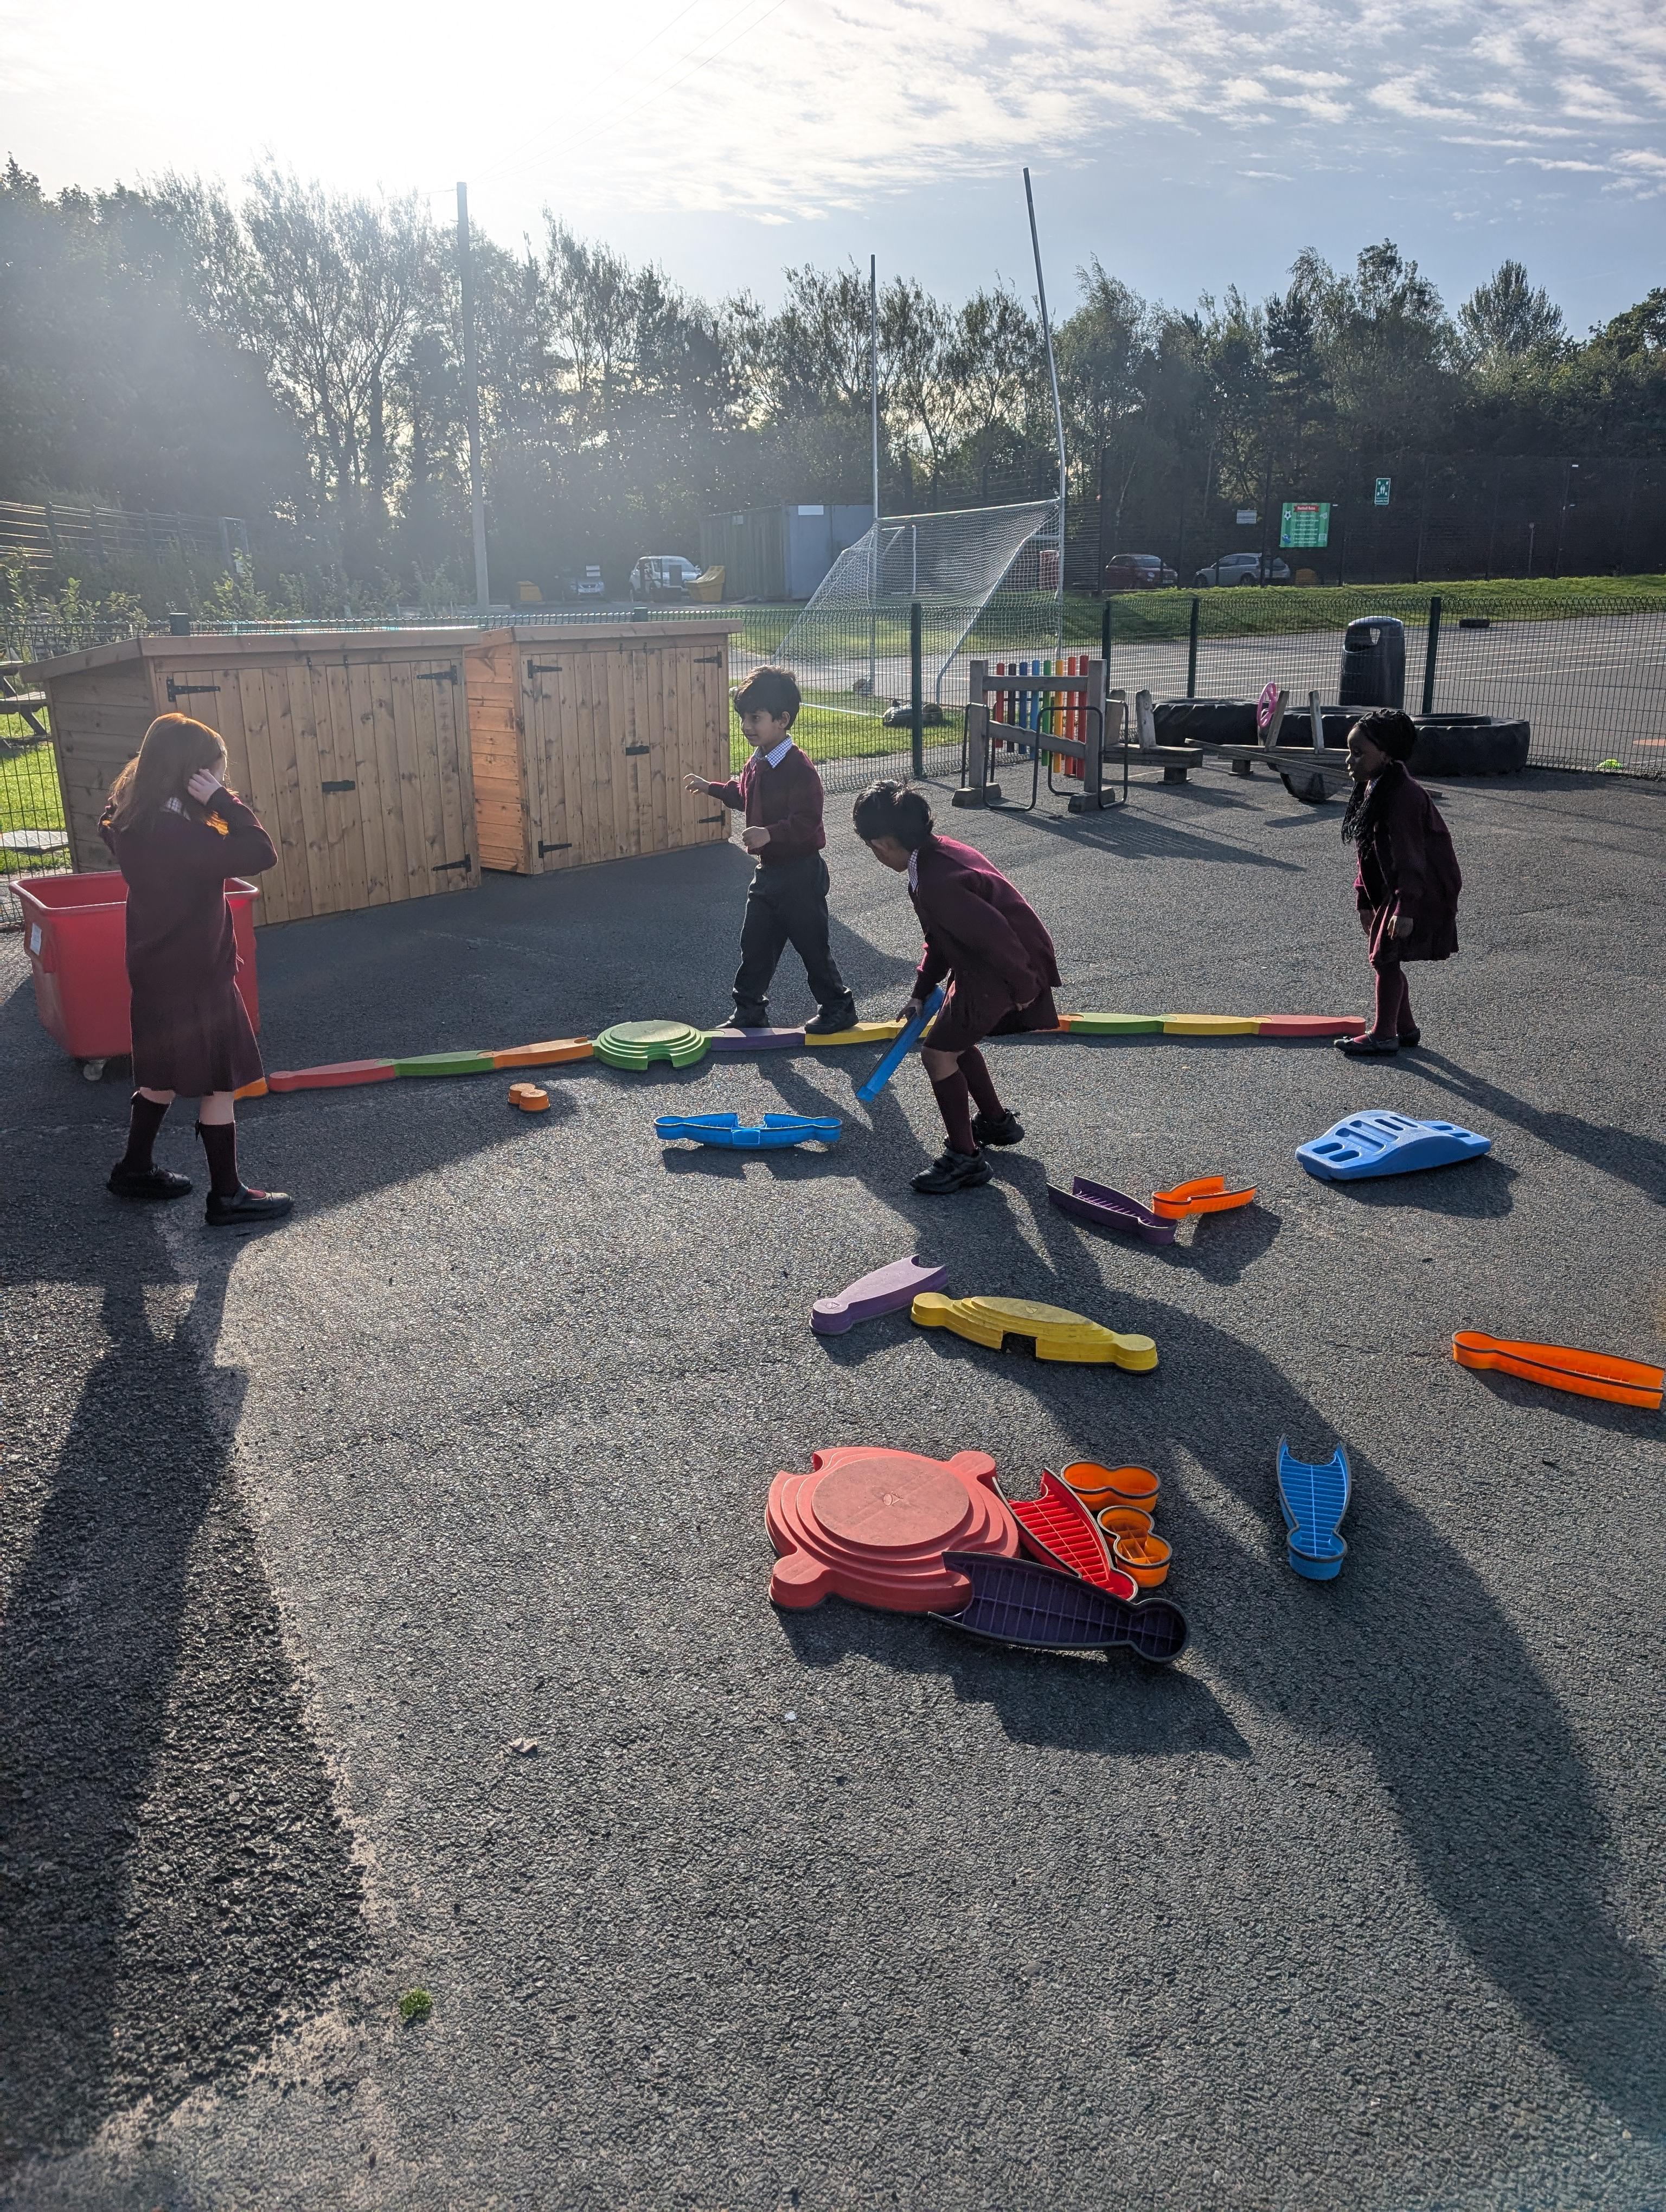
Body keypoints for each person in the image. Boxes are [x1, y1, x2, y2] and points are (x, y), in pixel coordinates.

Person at [100, 712, 293, 1224]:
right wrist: (222, 801)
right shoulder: (185, 837)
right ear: (193, 775)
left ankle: (134, 1168)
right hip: (199, 976)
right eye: (215, 773)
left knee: (161, 1071)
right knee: (219, 1082)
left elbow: (114, 813)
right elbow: (261, 851)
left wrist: (159, 781)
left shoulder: (127, 821)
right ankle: (227, 1196)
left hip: (153, 967)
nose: (222, 781)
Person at [853, 779, 1060, 1194]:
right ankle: (996, 1123)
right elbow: (941, 938)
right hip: (983, 966)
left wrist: (1025, 988)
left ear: (883, 844)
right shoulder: (933, 857)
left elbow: (997, 938)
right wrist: (921, 991)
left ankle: (965, 1159)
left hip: (998, 970)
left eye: (872, 848)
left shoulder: (938, 881)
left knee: (938, 1055)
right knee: (955, 1044)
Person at [684, 666, 857, 1036]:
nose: (746, 726)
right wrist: (711, 787)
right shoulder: (758, 761)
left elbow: (807, 820)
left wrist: (769, 834)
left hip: (801, 872)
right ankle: (749, 1009)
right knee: (756, 942)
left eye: (756, 718)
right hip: (769, 873)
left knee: (812, 945)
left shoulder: (798, 767)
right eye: (743, 718)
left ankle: (838, 1007)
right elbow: (743, 793)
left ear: (782, 720)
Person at [1336, 706, 1462, 1058]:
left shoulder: (1403, 795)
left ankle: (1384, 1035)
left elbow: (1411, 858)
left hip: (1421, 887)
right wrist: (1364, 899)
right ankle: (1404, 1029)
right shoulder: (1374, 786)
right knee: (1387, 957)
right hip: (1397, 887)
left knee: (1384, 958)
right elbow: (1367, 850)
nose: (1350, 761)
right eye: (1349, 751)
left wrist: (1405, 909)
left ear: (1387, 755)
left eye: (1358, 753)